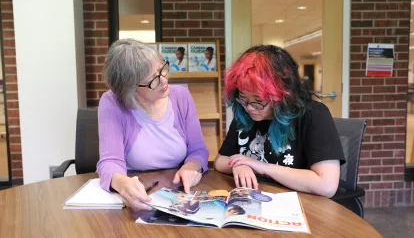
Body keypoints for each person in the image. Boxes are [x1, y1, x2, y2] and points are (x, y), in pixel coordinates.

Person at [213, 45, 345, 198]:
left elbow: (326, 185)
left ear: (282, 95)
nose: (250, 108)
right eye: (243, 99)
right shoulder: (244, 114)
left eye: (258, 101)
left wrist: (262, 167)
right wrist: (240, 165)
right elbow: (220, 161)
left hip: (303, 205)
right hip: (258, 200)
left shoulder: (313, 114)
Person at [97, 39, 209, 211]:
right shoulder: (112, 102)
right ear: (130, 88)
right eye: (153, 80)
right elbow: (110, 161)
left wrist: (191, 167)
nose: (164, 80)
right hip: (141, 194)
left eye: (162, 70)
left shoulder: (181, 96)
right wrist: (121, 182)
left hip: (178, 193)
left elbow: (198, 150)